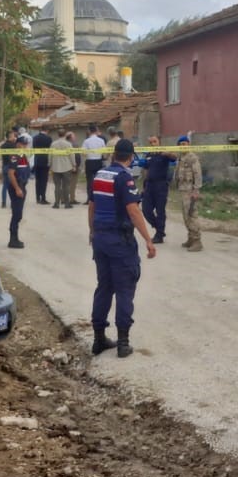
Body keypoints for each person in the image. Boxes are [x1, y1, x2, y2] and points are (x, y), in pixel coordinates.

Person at [87, 138, 157, 357]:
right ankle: (123, 343)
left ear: (114, 154)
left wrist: (92, 231)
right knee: (125, 289)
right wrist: (148, 238)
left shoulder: (100, 174)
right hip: (119, 241)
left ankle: (99, 339)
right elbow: (133, 210)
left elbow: (92, 205)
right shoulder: (125, 178)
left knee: (104, 287)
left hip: (100, 239)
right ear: (130, 156)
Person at [140, 136, 175, 244]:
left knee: (160, 211)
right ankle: (159, 229)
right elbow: (146, 170)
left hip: (161, 185)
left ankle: (159, 235)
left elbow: (174, 158)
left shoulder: (164, 153)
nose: (152, 144)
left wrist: (167, 153)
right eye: (150, 142)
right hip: (149, 185)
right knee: (146, 210)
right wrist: (144, 187)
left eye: (154, 142)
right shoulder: (149, 155)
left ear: (159, 142)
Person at [173, 134, 204, 251]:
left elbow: (198, 174)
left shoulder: (192, 158)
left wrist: (196, 190)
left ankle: (197, 241)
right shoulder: (181, 157)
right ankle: (191, 238)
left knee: (192, 215)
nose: (182, 146)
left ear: (188, 144)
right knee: (186, 215)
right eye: (180, 144)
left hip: (190, 190)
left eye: (184, 144)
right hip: (183, 189)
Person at [6, 136, 31, 248]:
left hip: (22, 186)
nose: (25, 146)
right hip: (17, 187)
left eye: (26, 144)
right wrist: (17, 188)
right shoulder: (15, 156)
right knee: (17, 214)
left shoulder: (23, 155)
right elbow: (11, 173)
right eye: (23, 144)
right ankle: (13, 240)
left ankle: (15, 238)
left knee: (18, 214)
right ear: (18, 144)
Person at [50, 129, 76, 208]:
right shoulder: (68, 144)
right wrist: (74, 165)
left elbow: (50, 155)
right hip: (67, 167)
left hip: (55, 167)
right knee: (66, 186)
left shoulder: (53, 144)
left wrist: (50, 164)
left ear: (58, 134)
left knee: (57, 186)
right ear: (65, 135)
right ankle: (67, 203)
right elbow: (72, 155)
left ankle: (57, 203)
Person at [81, 125, 106, 205]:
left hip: (89, 162)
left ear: (89, 131)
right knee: (99, 180)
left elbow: (83, 153)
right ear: (96, 131)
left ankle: (89, 198)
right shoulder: (101, 140)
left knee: (89, 181)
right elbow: (104, 151)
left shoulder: (86, 141)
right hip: (98, 161)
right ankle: (99, 198)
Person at [31, 127, 53, 205]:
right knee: (44, 180)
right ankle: (43, 198)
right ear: (47, 130)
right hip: (45, 161)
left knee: (38, 180)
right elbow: (50, 150)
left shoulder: (35, 138)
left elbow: (34, 148)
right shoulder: (49, 138)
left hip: (37, 160)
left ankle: (37, 198)